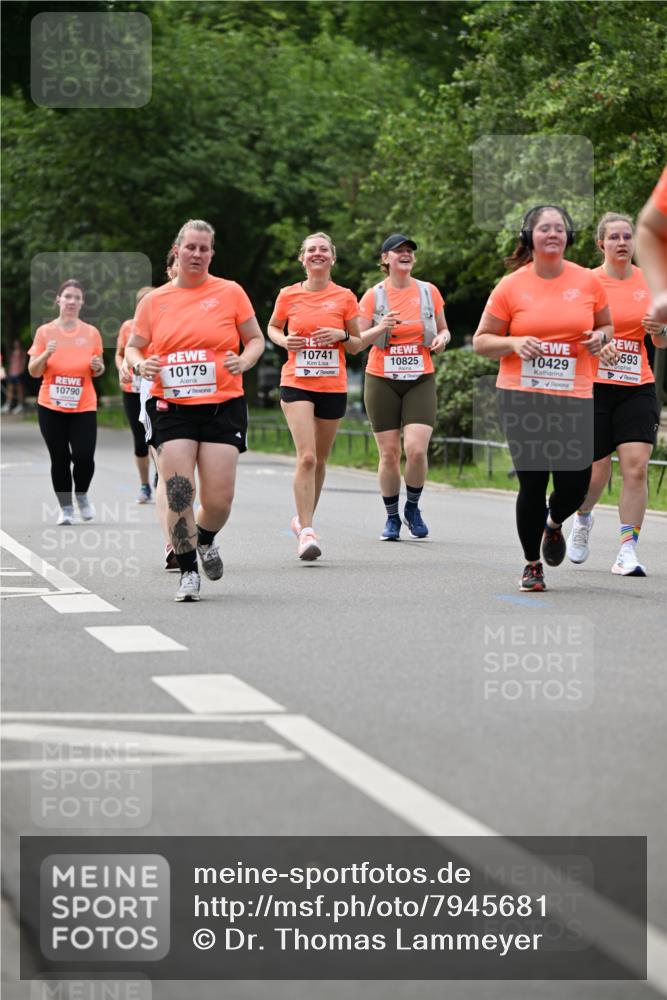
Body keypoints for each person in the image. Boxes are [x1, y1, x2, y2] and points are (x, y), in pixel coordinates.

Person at [473, 206, 612, 592]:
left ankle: (553, 523)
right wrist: (514, 343)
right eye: (544, 228)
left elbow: (606, 325)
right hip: (522, 395)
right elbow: (482, 342)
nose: (552, 234)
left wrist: (601, 337)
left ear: (568, 237)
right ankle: (532, 564)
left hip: (574, 394)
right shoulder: (510, 286)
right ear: (529, 237)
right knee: (532, 482)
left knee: (576, 484)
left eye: (559, 229)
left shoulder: (587, 281)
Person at [125, 219, 265, 602]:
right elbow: (134, 346)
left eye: (204, 249)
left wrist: (245, 360)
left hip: (222, 404)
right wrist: (140, 364)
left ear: (212, 254)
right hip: (171, 406)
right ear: (177, 251)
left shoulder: (230, 292)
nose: (197, 254)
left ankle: (205, 539)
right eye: (190, 247)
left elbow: (255, 339)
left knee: (219, 500)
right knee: (179, 492)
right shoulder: (154, 301)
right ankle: (188, 572)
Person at [566, 212, 666, 576]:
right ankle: (583, 517)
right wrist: (596, 343)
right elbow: (568, 331)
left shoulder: (650, 280)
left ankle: (627, 551)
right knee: (596, 474)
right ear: (601, 244)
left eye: (627, 236)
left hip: (637, 385)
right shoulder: (586, 282)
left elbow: (660, 342)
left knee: (636, 469)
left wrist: (660, 330)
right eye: (614, 237)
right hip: (593, 385)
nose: (622, 242)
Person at [267, 232, 361, 560]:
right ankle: (307, 531)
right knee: (306, 457)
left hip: (332, 386)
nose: (317, 253)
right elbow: (273, 327)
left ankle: (302, 519)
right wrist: (283, 340)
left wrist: (341, 334)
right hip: (297, 381)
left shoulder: (345, 297)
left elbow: (357, 344)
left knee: (320, 460)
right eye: (311, 250)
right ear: (302, 258)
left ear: (332, 258)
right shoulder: (288, 294)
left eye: (323, 249)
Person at [356, 233, 451, 540]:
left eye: (409, 250)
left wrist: (442, 340)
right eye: (398, 251)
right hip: (381, 379)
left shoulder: (428, 291)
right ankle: (392, 518)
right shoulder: (373, 296)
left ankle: (412, 507)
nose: (405, 254)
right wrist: (380, 327)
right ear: (385, 259)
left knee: (416, 450)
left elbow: (444, 329)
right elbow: (356, 342)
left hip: (420, 378)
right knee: (389, 453)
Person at [28, 279, 104, 524]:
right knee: (59, 457)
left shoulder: (91, 333)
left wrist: (98, 366)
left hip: (83, 405)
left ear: (82, 303)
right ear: (58, 300)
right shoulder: (45, 332)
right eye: (68, 296)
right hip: (51, 406)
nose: (72, 301)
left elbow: (98, 368)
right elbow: (33, 371)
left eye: (77, 298)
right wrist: (46, 354)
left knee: (84, 456)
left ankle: (81, 494)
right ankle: (66, 508)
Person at [115, 287, 155, 503]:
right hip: (133, 390)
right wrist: (122, 368)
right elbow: (120, 354)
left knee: (158, 436)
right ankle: (144, 485)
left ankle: (162, 476)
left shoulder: (164, 323)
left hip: (157, 389)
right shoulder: (128, 327)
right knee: (140, 440)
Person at [636, 165, 667, 323]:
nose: (622, 243)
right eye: (614, 237)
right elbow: (650, 228)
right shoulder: (593, 279)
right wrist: (661, 294)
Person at [1, 339, 27, 414]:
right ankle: (8, 404)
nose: (16, 345)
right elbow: (11, 363)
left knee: (19, 390)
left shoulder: (22, 352)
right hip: (12, 373)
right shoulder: (12, 353)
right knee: (10, 389)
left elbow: (23, 363)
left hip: (18, 373)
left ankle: (20, 404)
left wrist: (21, 371)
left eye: (17, 343)